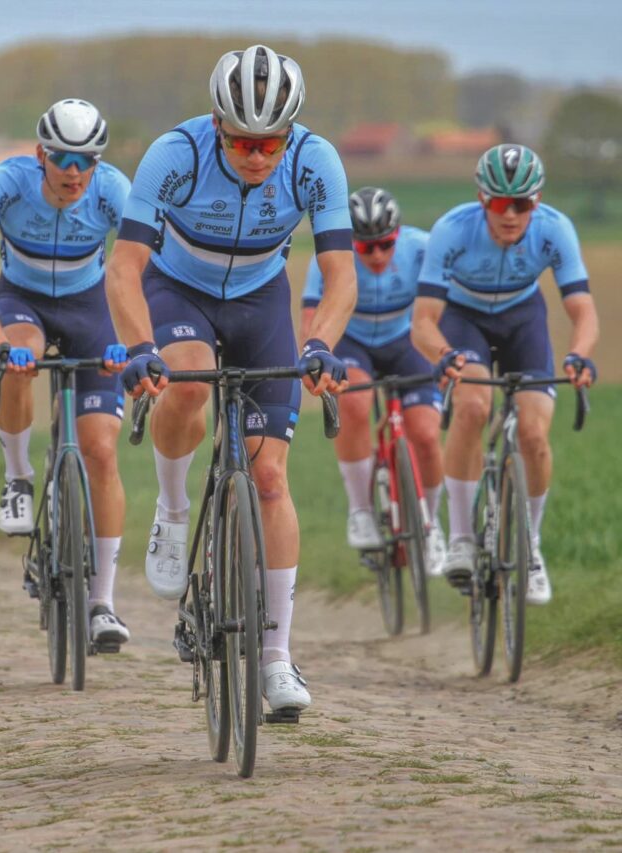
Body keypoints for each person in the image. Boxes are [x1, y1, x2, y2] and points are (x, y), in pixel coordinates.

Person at [106, 45, 355, 714]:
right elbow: (125, 265)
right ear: (217, 124)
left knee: (270, 477)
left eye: (270, 142)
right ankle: (173, 507)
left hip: (261, 298)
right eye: (243, 140)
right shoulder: (174, 154)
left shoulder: (314, 160)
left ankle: (276, 657)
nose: (257, 155)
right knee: (188, 382)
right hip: (177, 290)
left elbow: (340, 275)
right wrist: (137, 345)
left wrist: (323, 342)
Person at [0, 99, 133, 646]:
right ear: (40, 154)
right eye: (62, 158)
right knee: (19, 361)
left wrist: (133, 344)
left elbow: (144, 274)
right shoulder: (4, 183)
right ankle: (18, 476)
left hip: (91, 307)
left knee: (101, 450)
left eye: (87, 159)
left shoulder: (113, 190)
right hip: (22, 301)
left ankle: (103, 601)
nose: (75, 172)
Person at [411, 144, 597, 605]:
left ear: (537, 201)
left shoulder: (555, 229)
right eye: (499, 203)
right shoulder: (452, 230)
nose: (510, 214)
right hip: (464, 318)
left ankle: (530, 546)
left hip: (522, 318)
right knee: (473, 406)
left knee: (534, 435)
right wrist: (444, 354)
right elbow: (423, 321)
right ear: (481, 198)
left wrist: (578, 354)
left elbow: (583, 309)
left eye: (522, 204)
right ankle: (461, 538)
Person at [301, 187, 446, 574]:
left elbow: (444, 308)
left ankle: (431, 524)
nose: (377, 255)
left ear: (398, 235)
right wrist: (315, 358)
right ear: (352, 243)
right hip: (354, 341)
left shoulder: (422, 248)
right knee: (354, 403)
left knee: (427, 435)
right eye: (366, 248)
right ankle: (361, 510)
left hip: (406, 340)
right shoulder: (332, 257)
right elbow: (312, 315)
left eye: (385, 245)